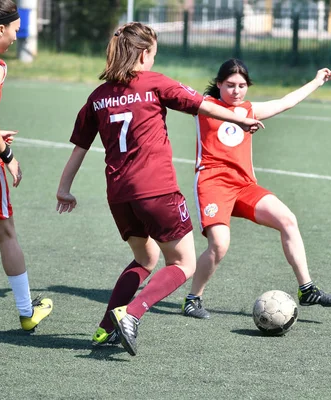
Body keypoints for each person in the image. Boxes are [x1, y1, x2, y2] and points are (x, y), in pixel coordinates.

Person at [56, 23, 263, 356]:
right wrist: (238, 120)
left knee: (145, 256)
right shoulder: (154, 82)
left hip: (119, 194)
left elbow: (79, 146)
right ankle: (131, 314)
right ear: (143, 53)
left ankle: (104, 328)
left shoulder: (98, 96)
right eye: (153, 53)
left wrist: (63, 188)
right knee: (183, 264)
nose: (154, 59)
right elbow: (202, 104)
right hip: (156, 190)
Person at [181, 59, 331, 320]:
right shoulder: (206, 107)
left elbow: (286, 102)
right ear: (219, 84)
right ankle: (192, 299)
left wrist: (316, 81)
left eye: (242, 85)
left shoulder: (249, 109)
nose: (236, 91)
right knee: (219, 245)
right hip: (213, 185)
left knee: (288, 220)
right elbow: (176, 97)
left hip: (244, 185)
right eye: (230, 85)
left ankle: (307, 289)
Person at [0, 0, 53, 331]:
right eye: (16, 30)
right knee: (6, 234)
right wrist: (8, 156)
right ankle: (26, 311)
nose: (17, 37)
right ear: (0, 29)